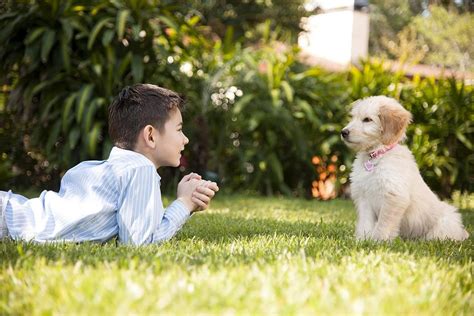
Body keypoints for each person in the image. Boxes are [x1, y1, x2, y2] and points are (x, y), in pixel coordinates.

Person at [0, 84, 219, 245]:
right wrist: (184, 204)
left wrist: (185, 201)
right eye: (179, 129)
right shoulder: (140, 169)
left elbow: (141, 221)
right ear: (150, 136)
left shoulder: (101, 168)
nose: (185, 139)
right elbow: (140, 243)